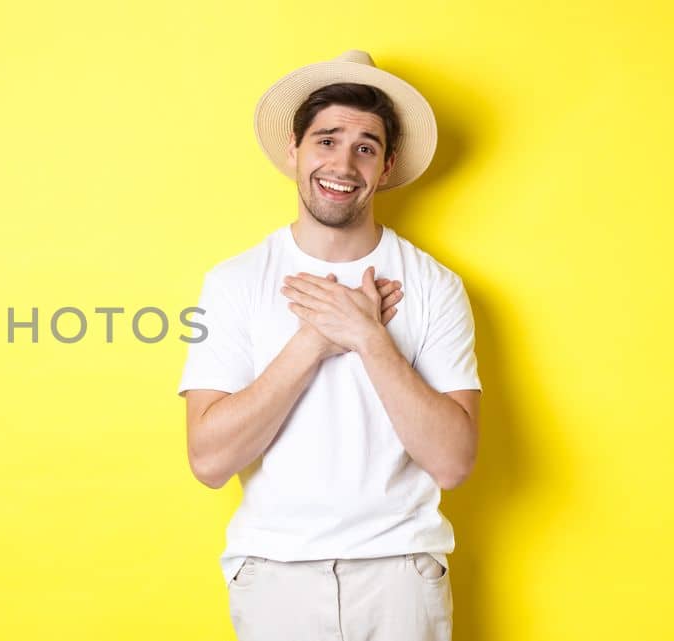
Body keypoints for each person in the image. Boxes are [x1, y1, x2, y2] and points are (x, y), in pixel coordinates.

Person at [178, 50, 482, 641]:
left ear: (387, 165)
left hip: (401, 572)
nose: (343, 162)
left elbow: (453, 461)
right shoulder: (234, 282)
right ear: (294, 150)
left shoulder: (433, 285)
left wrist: (371, 338)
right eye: (326, 140)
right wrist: (315, 340)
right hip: (274, 575)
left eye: (365, 146)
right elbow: (209, 462)